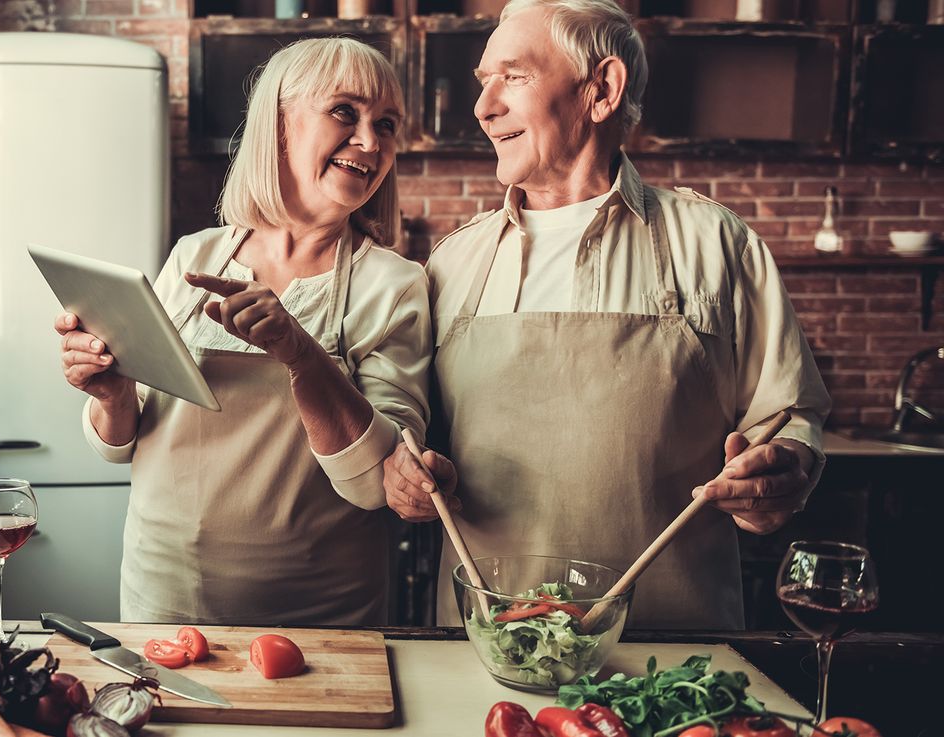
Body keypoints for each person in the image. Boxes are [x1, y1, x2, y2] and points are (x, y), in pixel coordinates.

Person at [381, 0, 831, 629]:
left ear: (601, 89)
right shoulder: (453, 263)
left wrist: (780, 473)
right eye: (484, 82)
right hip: (489, 648)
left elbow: (789, 418)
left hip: (677, 648)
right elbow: (410, 434)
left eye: (512, 76)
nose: (483, 107)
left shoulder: (718, 244)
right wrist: (404, 475)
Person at [56, 38, 432, 626]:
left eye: (386, 124)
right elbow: (122, 442)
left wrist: (301, 355)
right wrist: (112, 392)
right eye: (345, 112)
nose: (370, 141)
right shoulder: (195, 254)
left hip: (317, 612)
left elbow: (379, 483)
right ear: (279, 124)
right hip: (160, 590)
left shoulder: (394, 284)